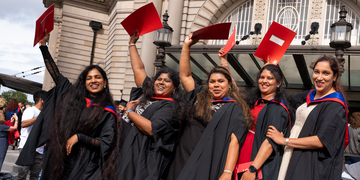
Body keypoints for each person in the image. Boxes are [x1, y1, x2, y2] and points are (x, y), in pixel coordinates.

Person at [15, 32, 120, 180]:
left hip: (87, 165)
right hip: (62, 160)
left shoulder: (108, 111)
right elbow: (56, 74)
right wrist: (43, 46)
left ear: (105, 83)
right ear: (84, 83)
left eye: (97, 77)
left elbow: (106, 142)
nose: (93, 81)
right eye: (89, 78)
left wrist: (79, 137)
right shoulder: (74, 99)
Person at [168, 34, 252, 180]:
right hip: (183, 156)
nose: (216, 85)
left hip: (208, 160)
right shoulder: (200, 96)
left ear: (229, 84)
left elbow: (235, 141)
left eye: (221, 81)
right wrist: (186, 46)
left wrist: (227, 171)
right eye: (212, 81)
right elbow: (185, 76)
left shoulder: (234, 108)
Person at [117, 32, 189, 180]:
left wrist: (129, 111)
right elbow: (139, 70)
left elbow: (151, 129)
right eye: (159, 79)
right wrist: (132, 44)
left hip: (143, 162)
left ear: (175, 87)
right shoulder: (147, 95)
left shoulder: (171, 108)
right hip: (125, 152)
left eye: (167, 81)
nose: (161, 82)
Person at [267, 55, 348, 180]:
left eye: (326, 73)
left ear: (335, 76)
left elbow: (321, 140)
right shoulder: (311, 94)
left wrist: (284, 141)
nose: (319, 77)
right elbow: (286, 100)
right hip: (293, 153)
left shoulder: (335, 105)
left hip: (310, 161)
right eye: (316, 72)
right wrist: (270, 70)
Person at [239, 64, 291, 180]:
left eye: (270, 78)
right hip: (243, 154)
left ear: (279, 83)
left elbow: (269, 143)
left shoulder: (278, 109)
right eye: (262, 77)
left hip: (258, 162)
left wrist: (253, 169)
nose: (264, 81)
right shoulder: (255, 103)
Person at [14, 90, 46, 180]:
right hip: (27, 147)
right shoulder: (30, 110)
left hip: (39, 149)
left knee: (35, 176)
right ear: (41, 100)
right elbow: (23, 124)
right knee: (22, 175)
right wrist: (39, 117)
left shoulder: (44, 112)